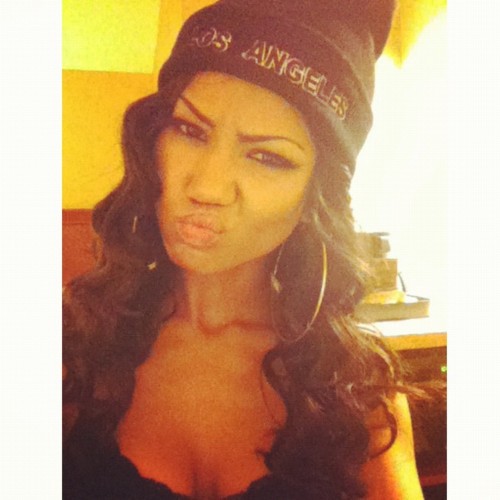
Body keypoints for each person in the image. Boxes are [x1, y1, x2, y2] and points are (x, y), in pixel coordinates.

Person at [63, 0, 424, 498]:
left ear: (316, 196)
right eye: (189, 130)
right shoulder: (71, 348)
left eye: (268, 157)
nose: (207, 187)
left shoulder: (354, 391)